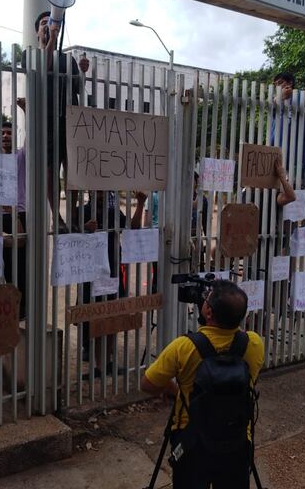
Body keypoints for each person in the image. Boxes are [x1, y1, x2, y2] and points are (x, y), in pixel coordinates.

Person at [141, 280, 265, 489]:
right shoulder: (253, 344)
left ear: (208, 312)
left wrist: (175, 390)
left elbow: (148, 384)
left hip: (191, 439)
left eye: (206, 300)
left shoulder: (184, 347)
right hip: (237, 438)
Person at [32, 11, 89, 231]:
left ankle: (72, 214)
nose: (48, 27)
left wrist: (82, 72)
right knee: (50, 170)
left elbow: (78, 88)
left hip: (70, 120)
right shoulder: (31, 54)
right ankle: (57, 216)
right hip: (47, 120)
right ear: (37, 30)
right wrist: (52, 41)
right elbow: (43, 68)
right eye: (44, 24)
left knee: (72, 170)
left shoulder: (67, 59)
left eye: (53, 23)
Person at [80, 190, 146, 374]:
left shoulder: (113, 212)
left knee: (113, 313)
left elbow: (132, 228)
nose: (100, 192)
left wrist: (140, 203)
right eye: (97, 189)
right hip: (91, 273)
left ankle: (106, 362)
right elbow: (69, 237)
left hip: (112, 269)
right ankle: (97, 363)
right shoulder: (82, 211)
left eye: (103, 188)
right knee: (95, 315)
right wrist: (84, 229)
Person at [0, 120, 28, 319]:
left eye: (9, 133)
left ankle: (22, 309)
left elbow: (32, 141)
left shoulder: (21, 155)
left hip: (19, 214)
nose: (5, 137)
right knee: (2, 264)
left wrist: (26, 112)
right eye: (2, 133)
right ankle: (7, 307)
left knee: (20, 264)